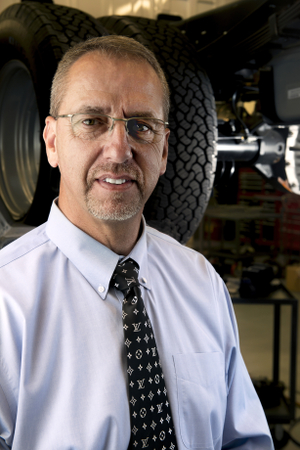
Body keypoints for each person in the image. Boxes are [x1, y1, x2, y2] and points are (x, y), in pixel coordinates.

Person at [0, 35, 274, 450]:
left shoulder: (201, 283)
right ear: (52, 142)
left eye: (141, 126)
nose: (119, 150)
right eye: (92, 121)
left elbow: (244, 440)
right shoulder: (6, 303)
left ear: (164, 151)